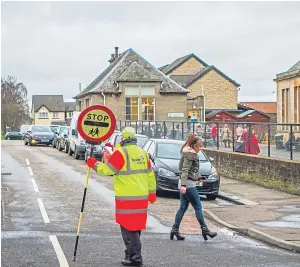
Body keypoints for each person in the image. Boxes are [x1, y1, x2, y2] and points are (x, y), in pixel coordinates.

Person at [87, 127, 156, 266]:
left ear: (123, 139)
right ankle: (130, 256)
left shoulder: (121, 153)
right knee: (135, 228)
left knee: (127, 228)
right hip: (141, 198)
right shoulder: (143, 153)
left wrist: (92, 163)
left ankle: (135, 258)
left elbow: (107, 170)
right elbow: (150, 175)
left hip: (127, 198)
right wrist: (152, 193)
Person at [170, 134, 217, 241]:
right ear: (194, 145)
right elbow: (185, 169)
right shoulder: (190, 154)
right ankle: (205, 229)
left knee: (183, 207)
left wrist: (199, 177)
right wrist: (183, 185)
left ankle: (175, 229)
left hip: (186, 183)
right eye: (199, 146)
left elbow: (192, 170)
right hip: (188, 185)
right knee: (198, 207)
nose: (200, 148)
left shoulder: (187, 152)